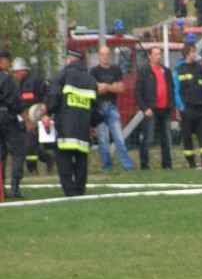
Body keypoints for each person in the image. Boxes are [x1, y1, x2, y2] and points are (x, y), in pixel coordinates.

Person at [46, 47, 101, 197]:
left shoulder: (63, 74)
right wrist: (93, 124)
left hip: (65, 126)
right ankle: (80, 189)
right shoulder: (90, 79)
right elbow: (97, 106)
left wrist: (48, 113)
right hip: (83, 128)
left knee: (63, 159)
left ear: (70, 60)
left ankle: (70, 190)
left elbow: (53, 95)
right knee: (81, 159)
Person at [90, 45, 135, 172]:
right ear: (99, 56)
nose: (105, 56)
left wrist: (105, 86)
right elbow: (95, 90)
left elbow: (120, 88)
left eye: (107, 54)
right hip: (98, 109)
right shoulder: (93, 72)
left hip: (112, 107)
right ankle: (107, 167)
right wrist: (111, 86)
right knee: (103, 141)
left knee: (119, 138)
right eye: (102, 54)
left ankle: (127, 166)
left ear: (110, 56)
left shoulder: (116, 70)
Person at [136, 45, 175, 170]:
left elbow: (171, 88)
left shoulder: (166, 71)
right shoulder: (144, 71)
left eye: (160, 54)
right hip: (151, 109)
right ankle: (144, 165)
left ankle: (167, 164)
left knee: (166, 137)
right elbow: (138, 92)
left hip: (165, 109)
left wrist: (171, 104)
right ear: (150, 56)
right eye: (156, 54)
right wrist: (144, 108)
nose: (159, 56)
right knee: (148, 138)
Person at [175, 42, 202, 167]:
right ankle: (190, 160)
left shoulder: (199, 68)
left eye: (194, 51)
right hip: (187, 108)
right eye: (191, 51)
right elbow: (176, 90)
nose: (194, 54)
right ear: (186, 53)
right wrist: (181, 106)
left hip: (200, 107)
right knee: (187, 136)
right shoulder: (179, 70)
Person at [12, 58, 49, 177]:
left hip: (35, 117)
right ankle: (47, 158)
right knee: (29, 144)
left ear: (23, 70)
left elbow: (42, 96)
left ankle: (32, 167)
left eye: (16, 72)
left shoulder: (33, 81)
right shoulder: (22, 83)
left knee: (29, 144)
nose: (15, 75)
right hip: (25, 117)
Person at [0, 48, 27, 199]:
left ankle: (1, 187)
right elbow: (14, 102)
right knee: (17, 151)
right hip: (7, 117)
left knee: (1, 154)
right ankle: (15, 187)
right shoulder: (6, 79)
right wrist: (26, 119)